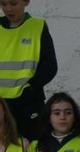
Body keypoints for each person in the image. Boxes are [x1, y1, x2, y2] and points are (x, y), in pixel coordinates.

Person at [0, 0, 57, 140]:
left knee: (33, 148)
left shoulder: (38, 26)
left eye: (13, 4)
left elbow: (50, 66)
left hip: (28, 101)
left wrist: (31, 87)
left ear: (26, 2)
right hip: (1, 104)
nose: (8, 9)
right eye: (3, 4)